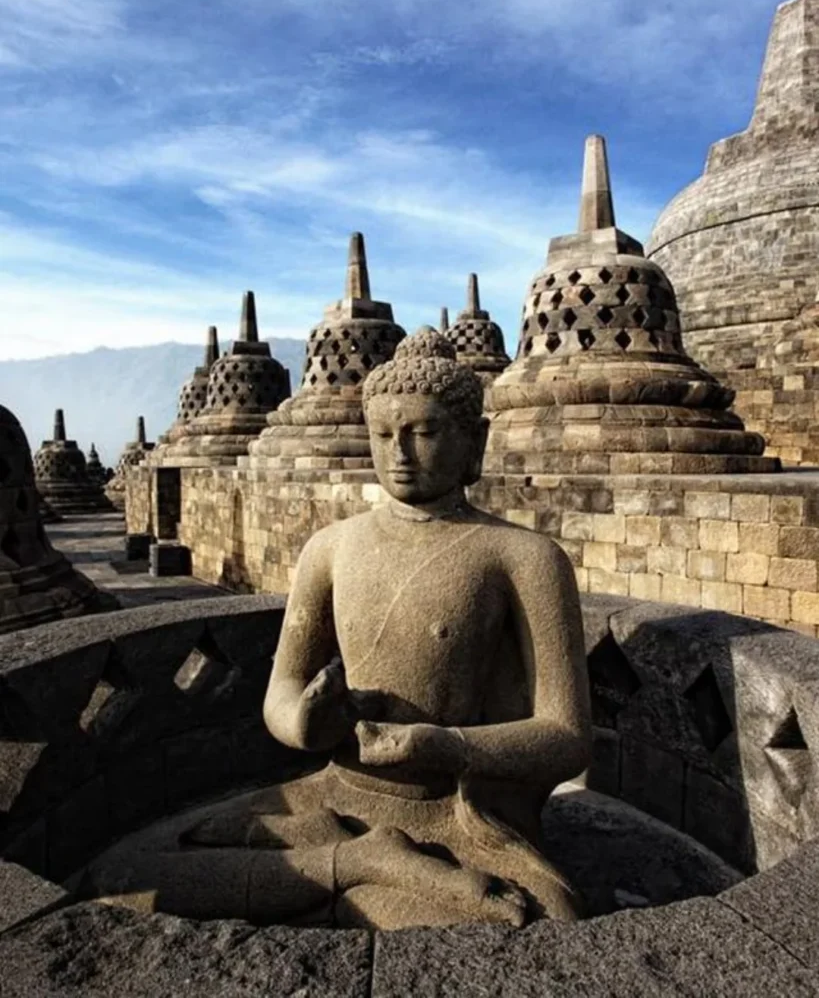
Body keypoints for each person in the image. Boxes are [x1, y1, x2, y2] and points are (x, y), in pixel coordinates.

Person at [84, 329, 591, 930]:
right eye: (382, 434)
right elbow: (282, 691)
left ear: (473, 442)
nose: (399, 452)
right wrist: (303, 722)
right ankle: (358, 863)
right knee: (126, 869)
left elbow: (566, 736)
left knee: (540, 915)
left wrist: (443, 745)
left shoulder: (524, 557)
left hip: (448, 813)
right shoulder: (330, 549)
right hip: (332, 794)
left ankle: (362, 872)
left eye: (423, 433)